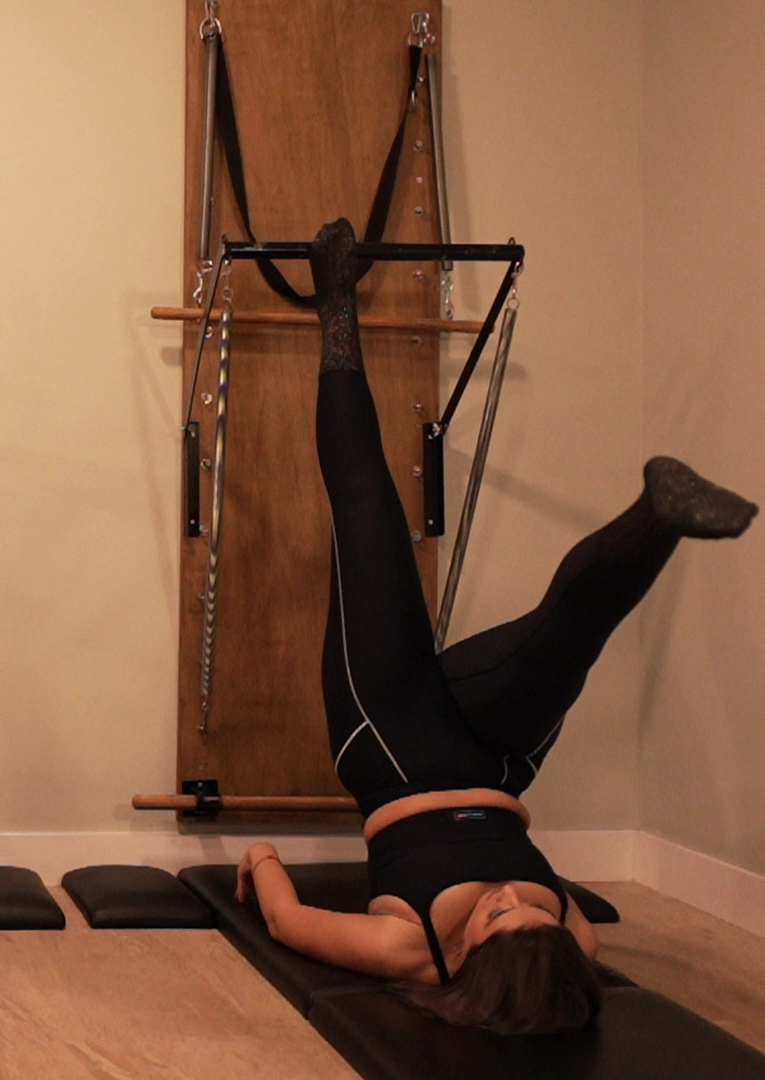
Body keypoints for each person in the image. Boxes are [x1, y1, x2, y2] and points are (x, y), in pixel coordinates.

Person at [237, 218, 757, 1035]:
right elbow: (565, 956)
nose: (511, 897)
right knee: (566, 639)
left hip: (391, 741)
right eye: (534, 914)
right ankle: (660, 515)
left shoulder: (410, 951)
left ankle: (335, 298)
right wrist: (551, 941)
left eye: (494, 918)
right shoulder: (567, 945)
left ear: (469, 961)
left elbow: (291, 923)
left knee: (367, 506)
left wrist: (261, 861)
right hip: (497, 755)